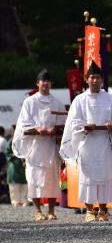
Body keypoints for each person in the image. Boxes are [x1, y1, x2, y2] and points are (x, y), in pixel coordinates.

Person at [60, 62, 112, 222]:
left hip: (105, 142)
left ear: (102, 80)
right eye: (92, 77)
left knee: (106, 175)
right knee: (87, 177)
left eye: (98, 78)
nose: (95, 81)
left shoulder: (109, 98)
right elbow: (73, 122)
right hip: (87, 143)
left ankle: (103, 210)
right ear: (87, 79)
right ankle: (89, 211)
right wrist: (84, 127)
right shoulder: (79, 100)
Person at [12, 69, 65, 221]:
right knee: (34, 178)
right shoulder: (30, 102)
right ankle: (37, 210)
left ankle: (51, 210)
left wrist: (54, 129)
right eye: (43, 80)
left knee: (52, 178)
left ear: (51, 84)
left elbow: (62, 123)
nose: (46, 83)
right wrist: (38, 128)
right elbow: (23, 123)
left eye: (48, 81)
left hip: (50, 147)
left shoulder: (57, 102)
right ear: (38, 83)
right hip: (34, 146)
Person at [6, 126, 28, 207]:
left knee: (25, 184)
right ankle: (15, 201)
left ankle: (24, 200)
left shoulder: (26, 140)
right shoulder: (11, 141)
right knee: (14, 185)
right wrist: (16, 155)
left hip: (24, 165)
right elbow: (7, 153)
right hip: (14, 165)